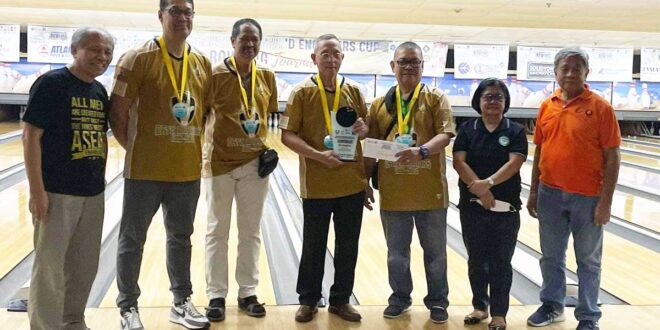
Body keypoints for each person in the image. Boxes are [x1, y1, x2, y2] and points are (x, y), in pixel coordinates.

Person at [108, 0, 212, 329]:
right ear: (161, 16)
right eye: (176, 11)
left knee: (181, 238)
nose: (183, 17)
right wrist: (139, 149)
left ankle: (181, 302)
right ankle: (128, 308)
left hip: (185, 172)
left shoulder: (202, 63)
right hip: (145, 172)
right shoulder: (137, 59)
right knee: (132, 239)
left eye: (188, 12)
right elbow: (118, 113)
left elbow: (205, 113)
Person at [23, 27, 114, 330]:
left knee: (83, 266)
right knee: (50, 268)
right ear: (74, 51)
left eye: (106, 51)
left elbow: (101, 138)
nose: (101, 56)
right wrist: (38, 193)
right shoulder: (52, 84)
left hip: (92, 192)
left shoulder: (100, 91)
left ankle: (73, 321)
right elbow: (30, 137)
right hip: (56, 191)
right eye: (94, 49)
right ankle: (45, 326)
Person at [526, 47, 621, 330]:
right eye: (564, 68)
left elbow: (613, 155)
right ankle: (552, 307)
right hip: (550, 193)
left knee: (588, 261)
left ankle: (589, 317)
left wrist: (606, 202)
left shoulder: (601, 108)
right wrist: (533, 191)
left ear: (586, 73)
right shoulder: (547, 105)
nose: (569, 73)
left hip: (588, 197)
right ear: (555, 73)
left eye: (576, 68)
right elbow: (540, 150)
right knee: (551, 257)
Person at [363, 41, 455, 324]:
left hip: (430, 193)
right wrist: (365, 180)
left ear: (423, 67)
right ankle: (400, 298)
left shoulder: (436, 98)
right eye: (403, 61)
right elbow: (372, 146)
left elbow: (446, 134)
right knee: (396, 255)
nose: (409, 67)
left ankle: (438, 301)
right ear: (393, 66)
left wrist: (422, 151)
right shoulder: (379, 104)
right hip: (394, 193)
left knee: (436, 254)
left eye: (414, 61)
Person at [280, 33, 369, 323]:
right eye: (325, 54)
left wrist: (362, 128)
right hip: (317, 184)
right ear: (314, 58)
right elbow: (287, 135)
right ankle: (308, 300)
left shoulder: (354, 90)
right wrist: (319, 156)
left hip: (351, 183)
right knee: (314, 244)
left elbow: (366, 129)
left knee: (348, 245)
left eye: (336, 54)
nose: (331, 59)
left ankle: (341, 300)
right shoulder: (302, 92)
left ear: (342, 58)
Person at [202, 18, 278, 322]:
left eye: (255, 40)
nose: (250, 44)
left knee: (251, 231)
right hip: (219, 163)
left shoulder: (267, 77)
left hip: (254, 166)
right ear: (232, 41)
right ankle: (215, 295)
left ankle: (247, 292)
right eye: (244, 39)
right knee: (216, 231)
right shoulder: (215, 75)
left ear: (260, 43)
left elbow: (267, 114)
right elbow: (201, 116)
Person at [452, 78, 527, 330]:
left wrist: (489, 183)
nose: (493, 101)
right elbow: (458, 162)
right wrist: (481, 190)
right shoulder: (467, 129)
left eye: (498, 96)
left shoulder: (515, 130)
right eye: (488, 96)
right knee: (476, 258)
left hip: (506, 208)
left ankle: (499, 313)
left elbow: (515, 162)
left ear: (505, 102)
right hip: (472, 206)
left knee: (500, 261)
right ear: (478, 101)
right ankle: (479, 307)